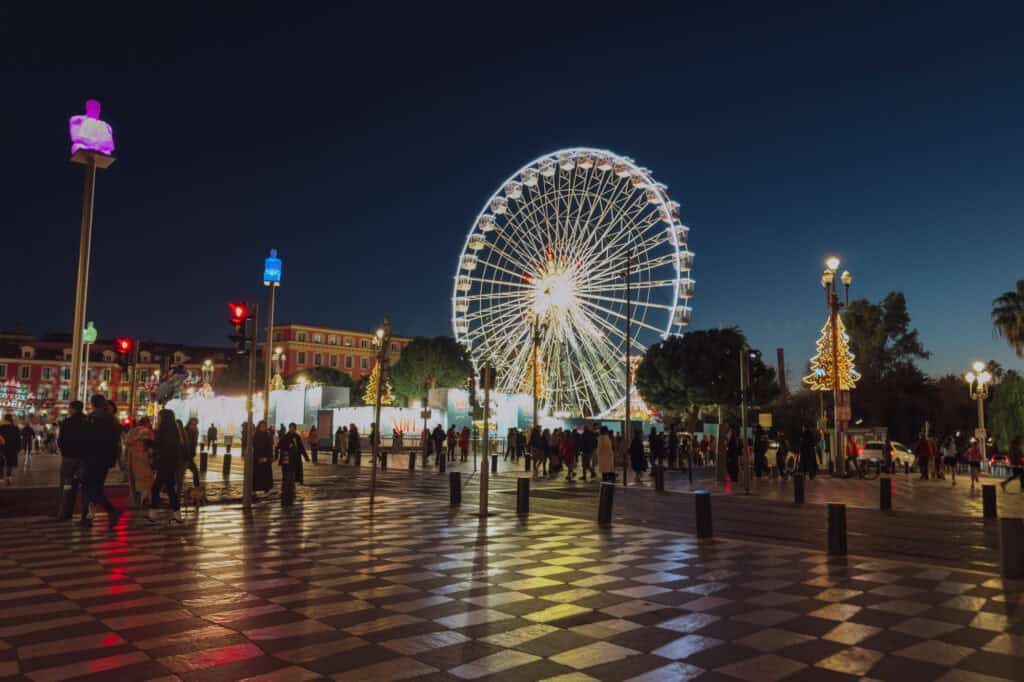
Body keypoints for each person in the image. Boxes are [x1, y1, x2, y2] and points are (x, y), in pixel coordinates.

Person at [81, 395, 122, 528]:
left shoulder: (92, 418)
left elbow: (85, 438)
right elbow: (115, 441)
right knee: (96, 487)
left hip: (92, 457)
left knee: (89, 488)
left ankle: (110, 510)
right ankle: (90, 516)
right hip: (105, 459)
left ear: (92, 404)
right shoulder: (112, 420)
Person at [148, 409, 184, 523]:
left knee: (156, 488)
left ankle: (153, 513)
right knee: (169, 488)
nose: (158, 419)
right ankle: (177, 514)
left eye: (159, 417)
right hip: (170, 463)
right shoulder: (173, 430)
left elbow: (161, 446)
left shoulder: (164, 430)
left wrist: (148, 443)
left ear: (164, 419)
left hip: (165, 463)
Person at [56, 401, 89, 519]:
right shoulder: (88, 421)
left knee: (67, 484)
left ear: (73, 409)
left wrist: (64, 451)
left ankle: (65, 512)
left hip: (69, 457)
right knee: (85, 486)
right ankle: (85, 513)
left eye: (69, 408)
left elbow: (61, 440)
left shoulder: (67, 422)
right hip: (84, 458)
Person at [125, 417, 155, 508]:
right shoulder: (147, 432)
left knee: (133, 480)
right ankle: (145, 499)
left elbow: (127, 444)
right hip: (143, 458)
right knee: (146, 481)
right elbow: (151, 446)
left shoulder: (131, 432)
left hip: (132, 457)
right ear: (146, 423)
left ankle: (135, 500)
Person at [253, 420, 274, 493]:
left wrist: (271, 456)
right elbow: (255, 446)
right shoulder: (256, 435)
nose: (263, 428)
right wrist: (258, 457)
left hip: (266, 457)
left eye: (264, 426)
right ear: (259, 427)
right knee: (258, 473)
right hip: (258, 457)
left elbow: (270, 446)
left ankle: (266, 487)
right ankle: (256, 488)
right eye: (262, 426)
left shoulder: (267, 435)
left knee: (266, 473)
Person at [0, 415, 20, 484]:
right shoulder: (15, 428)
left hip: (2, 448)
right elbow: (18, 439)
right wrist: (18, 448)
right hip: (12, 448)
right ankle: (9, 476)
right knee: (10, 463)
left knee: (1, 462)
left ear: (5, 420)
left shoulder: (1, 428)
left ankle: (1, 477)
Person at [183, 417, 200, 488]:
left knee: (195, 471)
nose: (194, 426)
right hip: (184, 456)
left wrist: (193, 453)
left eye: (195, 424)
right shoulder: (185, 431)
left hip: (189, 456)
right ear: (189, 424)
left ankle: (197, 487)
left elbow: (194, 444)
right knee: (179, 474)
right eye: (192, 424)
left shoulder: (195, 432)